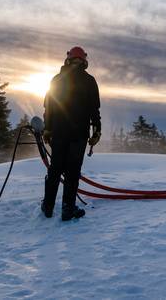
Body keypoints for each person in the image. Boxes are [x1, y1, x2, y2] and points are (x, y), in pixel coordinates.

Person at [41, 46, 101, 221]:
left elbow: (49, 108)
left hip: (58, 133)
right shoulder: (89, 81)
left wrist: (47, 128)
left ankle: (48, 206)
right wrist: (97, 131)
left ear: (68, 59)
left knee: (55, 170)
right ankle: (68, 208)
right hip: (79, 135)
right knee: (73, 172)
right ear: (83, 61)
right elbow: (94, 110)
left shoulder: (56, 80)